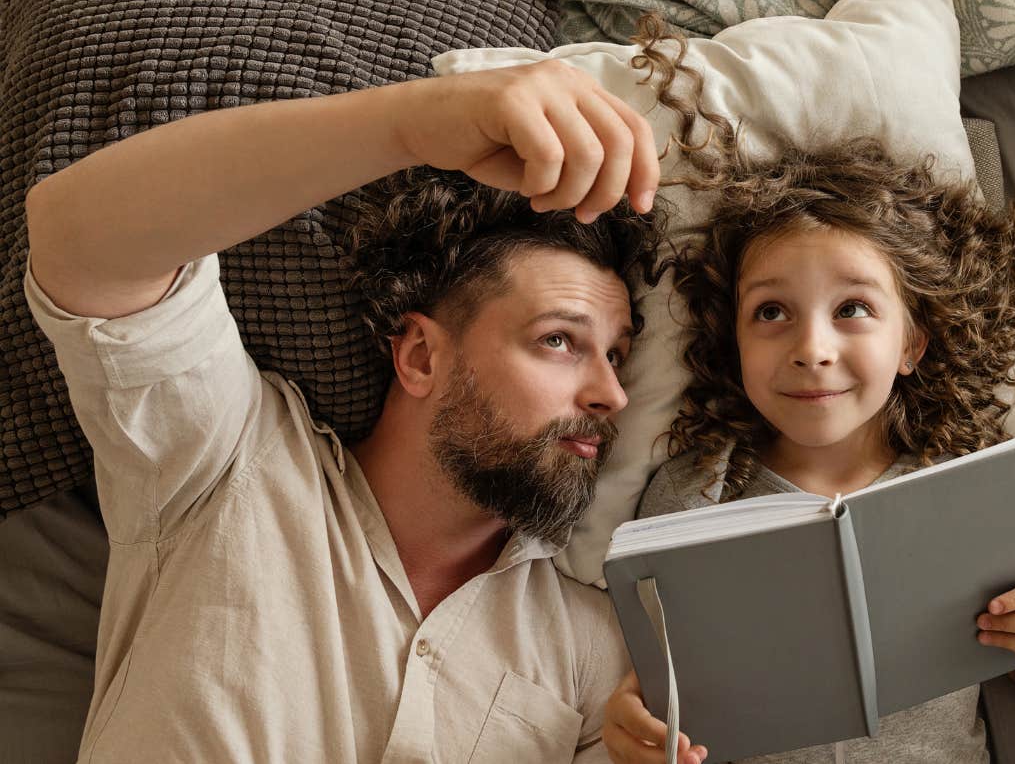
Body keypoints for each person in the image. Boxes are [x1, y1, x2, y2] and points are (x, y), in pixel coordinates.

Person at [23, 61, 665, 762]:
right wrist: (415, 123)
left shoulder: (600, 655)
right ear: (420, 355)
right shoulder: (226, 457)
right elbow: (78, 233)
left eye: (617, 355)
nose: (612, 394)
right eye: (560, 340)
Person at [599, 41, 1015, 764]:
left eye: (853, 310)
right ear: (732, 340)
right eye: (771, 313)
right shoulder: (693, 497)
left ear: (913, 344)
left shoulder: (966, 489)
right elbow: (656, 684)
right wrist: (633, 722)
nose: (812, 348)